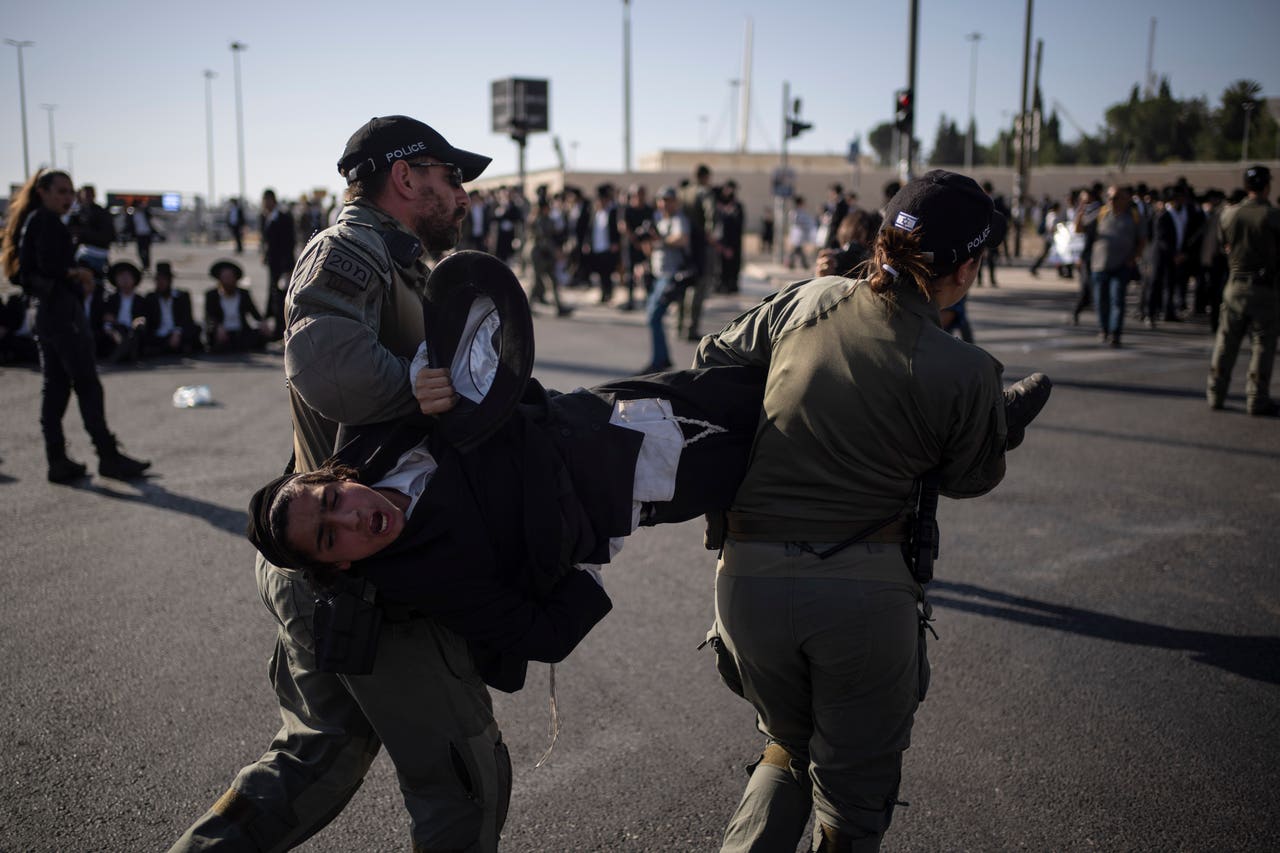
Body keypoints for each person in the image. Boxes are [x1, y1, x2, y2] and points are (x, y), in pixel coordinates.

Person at [170, 115, 509, 853]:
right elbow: (324, 359)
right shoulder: (351, 248)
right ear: (406, 176)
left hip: (328, 558)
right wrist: (420, 391)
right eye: (451, 178)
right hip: (356, 565)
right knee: (464, 783)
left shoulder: (396, 259)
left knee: (313, 762)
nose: (461, 196)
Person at [694, 170, 1050, 853]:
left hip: (744, 586)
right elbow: (969, 476)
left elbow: (713, 358)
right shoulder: (965, 370)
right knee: (853, 801)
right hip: (859, 599)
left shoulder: (809, 300)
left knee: (785, 748)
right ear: (968, 267)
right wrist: (999, 424)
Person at [0, 169, 151, 483]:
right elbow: (46, 268)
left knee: (55, 387)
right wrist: (77, 274)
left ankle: (57, 459)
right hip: (61, 315)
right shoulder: (46, 222)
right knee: (86, 383)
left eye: (70, 192)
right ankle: (106, 455)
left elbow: (24, 273)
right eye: (61, 191)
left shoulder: (35, 222)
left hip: (47, 314)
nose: (67, 198)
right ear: (42, 191)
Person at [1207, 165, 1280, 416]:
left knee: (1226, 341)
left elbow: (1224, 245)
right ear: (1266, 186)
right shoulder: (1272, 216)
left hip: (1235, 284)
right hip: (1264, 288)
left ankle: (1216, 392)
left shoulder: (1228, 214)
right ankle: (1256, 398)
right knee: (1262, 344)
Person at [1079, 185, 1144, 348]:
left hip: (1121, 265)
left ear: (1125, 199)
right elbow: (1080, 228)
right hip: (1099, 265)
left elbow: (1142, 240)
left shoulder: (1133, 216)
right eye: (1109, 198)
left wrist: (1134, 257)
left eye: (1115, 198)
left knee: (1117, 300)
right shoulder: (1101, 213)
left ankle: (1115, 333)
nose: (1111, 201)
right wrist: (1081, 208)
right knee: (1101, 301)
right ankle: (1104, 329)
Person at [641, 186, 690, 373]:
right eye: (661, 200)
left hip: (671, 276)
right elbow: (651, 250)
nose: (664, 203)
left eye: (668, 200)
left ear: (675, 201)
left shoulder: (678, 220)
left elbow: (682, 239)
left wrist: (660, 239)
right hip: (657, 275)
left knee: (655, 316)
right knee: (652, 317)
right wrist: (646, 240)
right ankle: (662, 358)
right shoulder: (660, 221)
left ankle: (659, 361)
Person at [203, 260, 266, 353]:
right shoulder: (211, 295)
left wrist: (263, 323)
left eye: (230, 277)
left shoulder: (243, 294)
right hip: (223, 332)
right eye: (225, 278)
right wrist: (218, 327)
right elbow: (209, 316)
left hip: (240, 331)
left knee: (259, 335)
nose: (228, 281)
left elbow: (254, 312)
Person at [259, 189, 296, 340]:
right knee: (274, 294)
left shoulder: (283, 217)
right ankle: (276, 327)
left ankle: (282, 329)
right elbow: (266, 240)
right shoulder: (265, 217)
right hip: (272, 264)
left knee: (282, 297)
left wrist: (288, 267)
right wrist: (265, 255)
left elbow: (289, 243)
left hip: (283, 264)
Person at [143, 261, 201, 356]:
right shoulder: (151, 297)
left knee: (195, 329)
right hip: (159, 334)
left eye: (163, 280)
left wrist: (177, 332)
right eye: (158, 280)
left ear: (169, 281)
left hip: (177, 333)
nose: (161, 283)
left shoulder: (182, 296)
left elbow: (187, 318)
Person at [101, 261, 148, 363]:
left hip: (133, 329)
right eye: (121, 277)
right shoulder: (111, 299)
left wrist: (139, 322)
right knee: (122, 336)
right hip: (117, 329)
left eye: (127, 276)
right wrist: (111, 331)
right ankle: (127, 355)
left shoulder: (140, 300)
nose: (125, 280)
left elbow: (142, 317)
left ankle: (118, 356)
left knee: (133, 336)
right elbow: (107, 320)